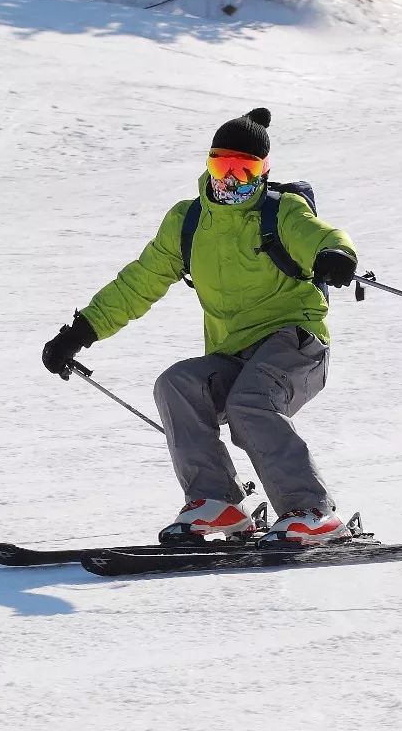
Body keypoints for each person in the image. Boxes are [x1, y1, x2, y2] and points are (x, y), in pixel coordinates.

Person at [42, 108, 358, 546]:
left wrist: (335, 255)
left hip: (295, 342)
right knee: (177, 384)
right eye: (220, 167)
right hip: (232, 352)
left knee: (250, 403)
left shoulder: (281, 212)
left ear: (263, 173)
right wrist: (81, 331)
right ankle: (218, 503)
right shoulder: (188, 222)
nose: (229, 181)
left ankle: (311, 511)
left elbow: (321, 235)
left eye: (242, 170)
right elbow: (140, 281)